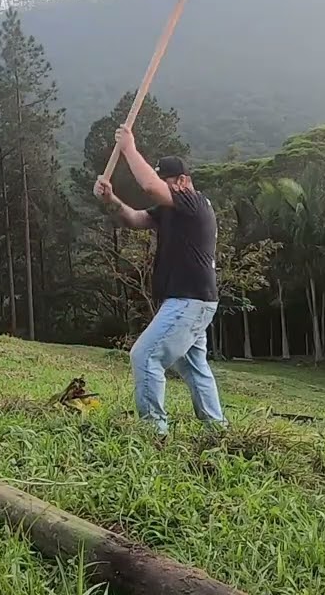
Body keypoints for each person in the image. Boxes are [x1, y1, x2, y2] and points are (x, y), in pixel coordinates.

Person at [94, 124, 225, 436]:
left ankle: (154, 433)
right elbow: (137, 218)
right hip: (194, 301)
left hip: (189, 300)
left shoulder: (193, 202)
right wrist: (112, 200)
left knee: (145, 355)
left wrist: (128, 148)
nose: (161, 187)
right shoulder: (171, 210)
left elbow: (151, 187)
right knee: (194, 366)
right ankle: (217, 431)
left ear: (182, 181)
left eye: (167, 181)